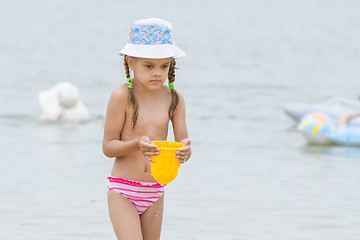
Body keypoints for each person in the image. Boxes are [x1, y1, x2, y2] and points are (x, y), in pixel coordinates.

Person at [102, 18, 192, 240]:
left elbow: (183, 144)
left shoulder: (175, 99)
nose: (157, 73)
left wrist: (185, 152)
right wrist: (136, 144)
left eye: (164, 66)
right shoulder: (122, 95)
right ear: (131, 62)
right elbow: (108, 147)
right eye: (149, 66)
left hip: (155, 189)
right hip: (123, 189)